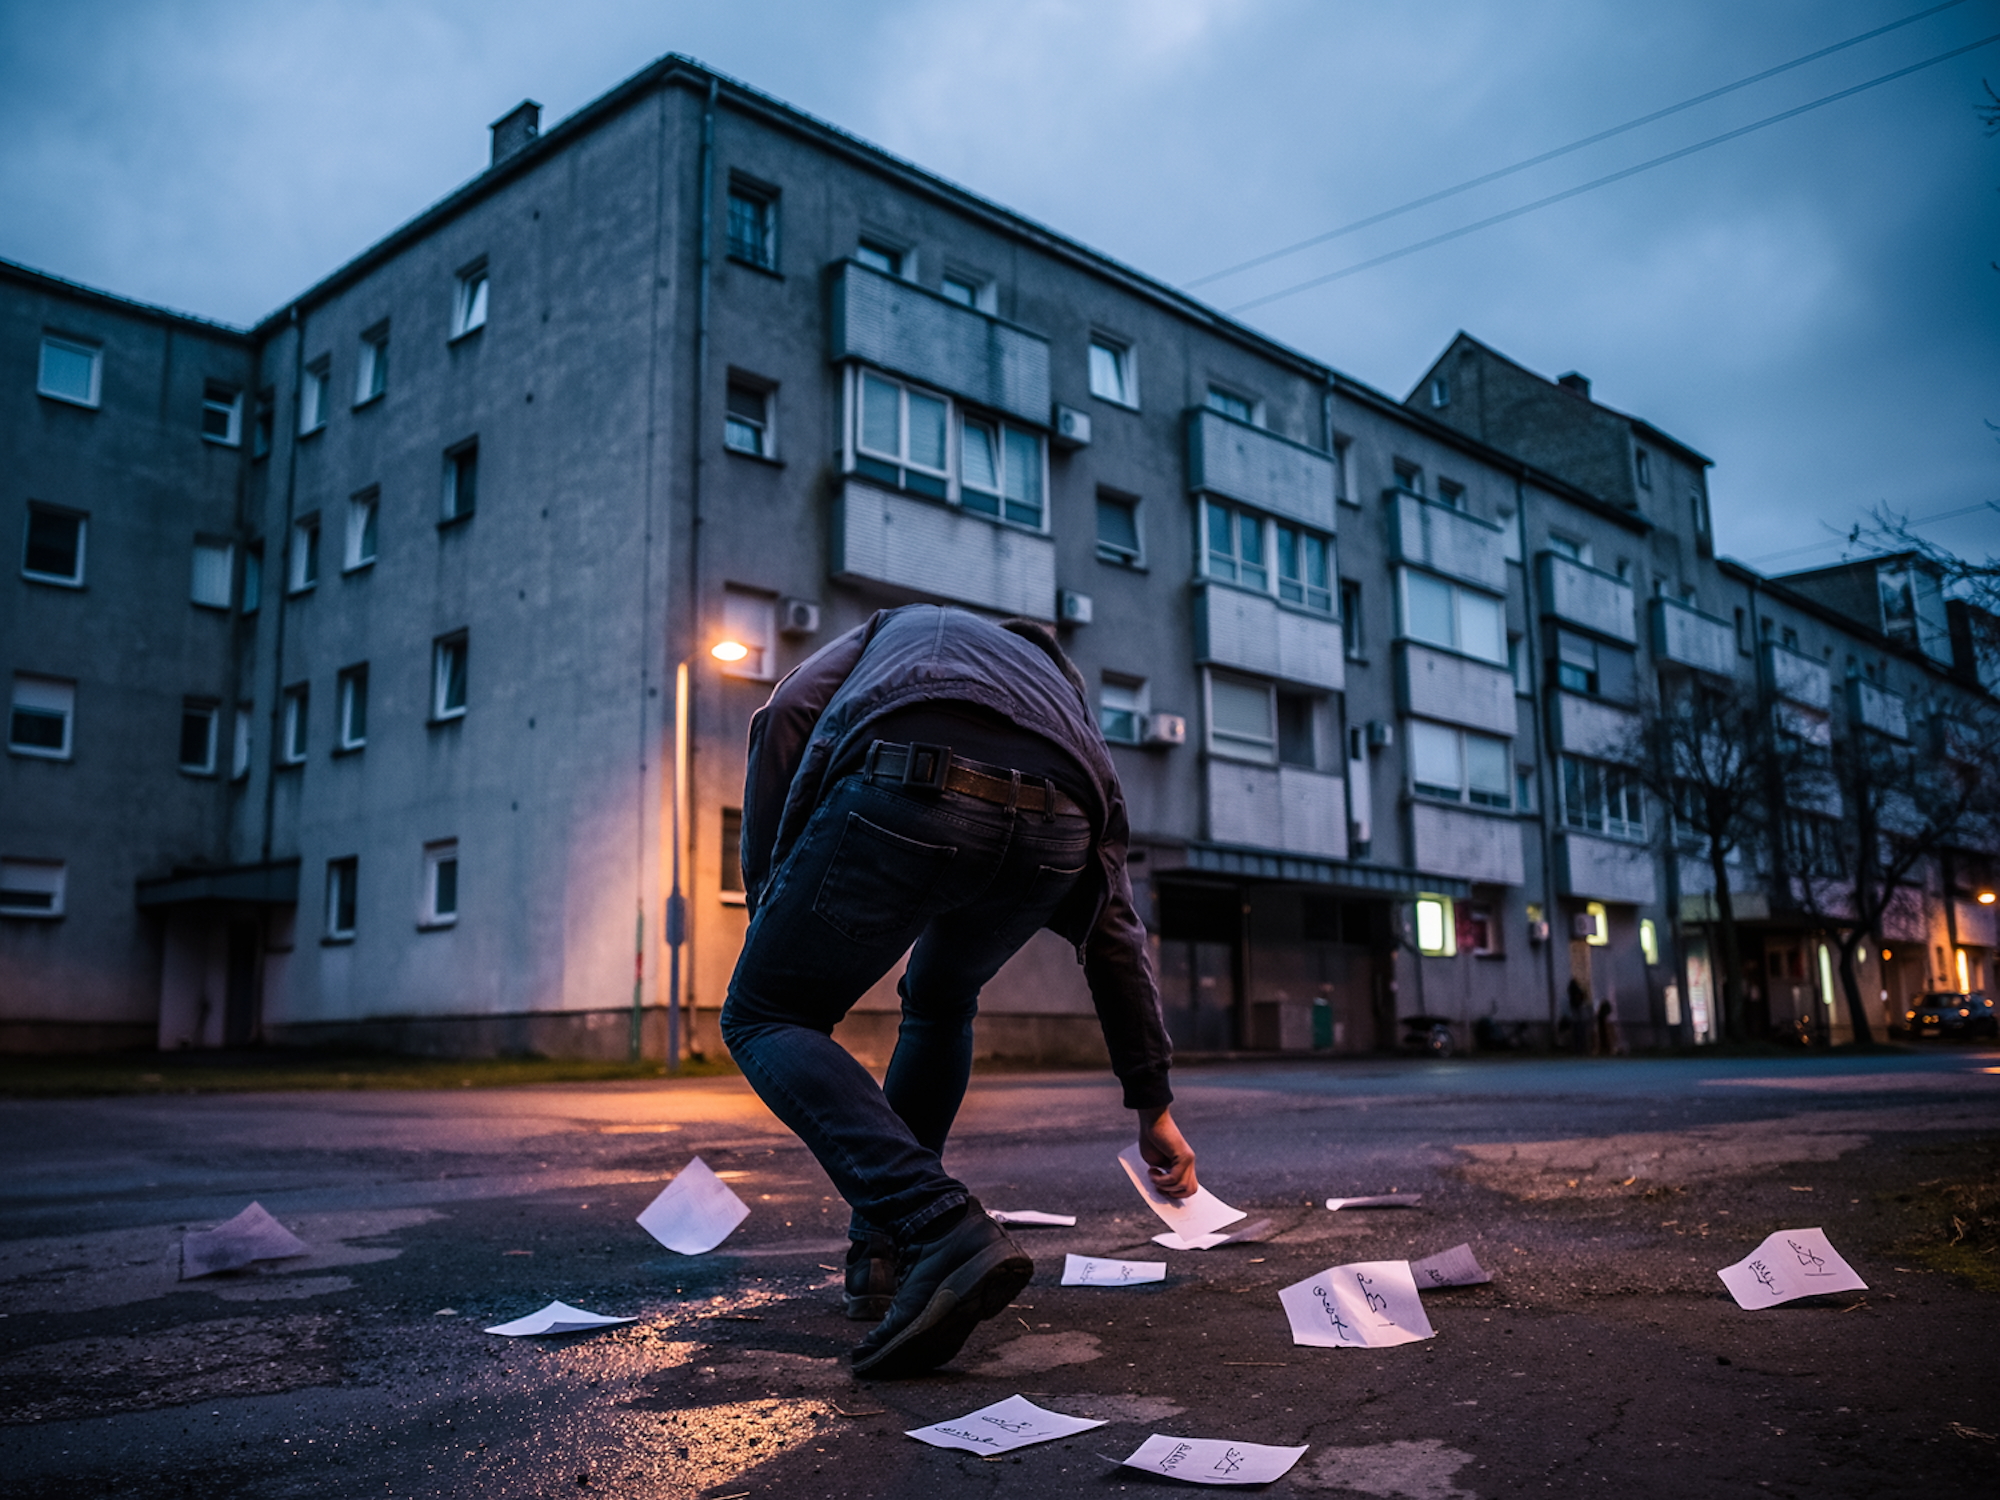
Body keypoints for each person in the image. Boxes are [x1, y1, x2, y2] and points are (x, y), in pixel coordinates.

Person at [719, 604, 1197, 1378]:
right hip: (1055, 832)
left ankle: (933, 1226)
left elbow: (786, 714)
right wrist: (1154, 1105)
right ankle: (885, 1255)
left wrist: (769, 896)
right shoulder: (1063, 707)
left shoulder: (900, 627)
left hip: (905, 781)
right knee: (940, 997)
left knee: (766, 1012)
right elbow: (1114, 923)